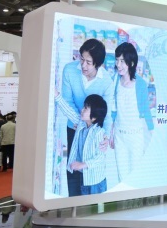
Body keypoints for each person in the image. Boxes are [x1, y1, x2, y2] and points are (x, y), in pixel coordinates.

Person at [60, 38, 114, 196]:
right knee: (73, 167)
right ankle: (74, 202)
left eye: (88, 62)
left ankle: (90, 201)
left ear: (98, 64)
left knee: (89, 167)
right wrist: (80, 121)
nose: (83, 65)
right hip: (74, 126)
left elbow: (107, 113)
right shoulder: (69, 70)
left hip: (94, 130)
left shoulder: (106, 82)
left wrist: (105, 135)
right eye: (81, 59)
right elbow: (68, 101)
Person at [111, 42, 153, 183]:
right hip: (119, 135)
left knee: (136, 176)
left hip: (135, 136)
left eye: (122, 61)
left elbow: (146, 111)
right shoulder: (115, 80)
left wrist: (153, 135)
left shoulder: (140, 84)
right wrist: (111, 132)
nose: (118, 64)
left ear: (132, 63)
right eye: (117, 60)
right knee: (122, 176)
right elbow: (114, 109)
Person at [56, 94, 109, 195]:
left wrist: (83, 164)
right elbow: (69, 112)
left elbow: (100, 157)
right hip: (84, 178)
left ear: (94, 117)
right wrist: (57, 96)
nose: (82, 110)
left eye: (85, 108)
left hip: (96, 181)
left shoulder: (99, 133)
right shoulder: (81, 124)